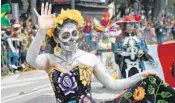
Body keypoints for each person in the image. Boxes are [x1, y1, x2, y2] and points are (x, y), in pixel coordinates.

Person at [27, 3, 175, 103]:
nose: (71, 39)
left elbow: (112, 83)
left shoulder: (89, 58)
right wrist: (41, 31)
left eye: (74, 34)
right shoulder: (49, 59)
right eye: (66, 36)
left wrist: (139, 76)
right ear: (57, 39)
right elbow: (31, 59)